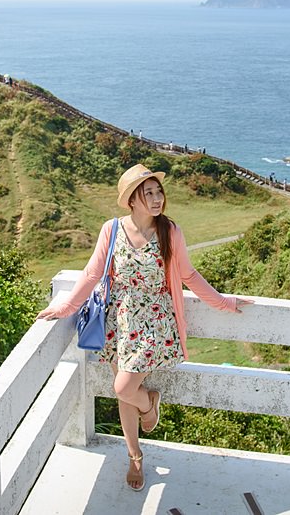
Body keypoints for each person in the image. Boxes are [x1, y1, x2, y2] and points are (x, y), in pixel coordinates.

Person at [37, 164, 254, 491]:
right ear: (132, 200)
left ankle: (149, 403)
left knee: (124, 388)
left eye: (158, 192)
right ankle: (135, 455)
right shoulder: (111, 230)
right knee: (124, 393)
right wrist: (64, 307)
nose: (156, 199)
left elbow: (188, 276)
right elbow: (92, 273)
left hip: (154, 321)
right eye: (148, 193)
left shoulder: (170, 231)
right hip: (118, 320)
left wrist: (225, 302)